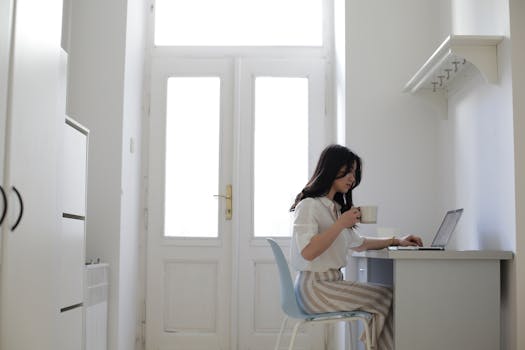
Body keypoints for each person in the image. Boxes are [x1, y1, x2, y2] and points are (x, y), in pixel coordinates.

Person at [290, 144, 423, 350]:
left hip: (329, 286)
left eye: (355, 172)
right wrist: (340, 224)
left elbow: (360, 243)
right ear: (332, 168)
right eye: (348, 171)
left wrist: (396, 240)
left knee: (386, 296)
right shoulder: (309, 205)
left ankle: (373, 345)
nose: (353, 178)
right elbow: (308, 252)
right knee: (386, 296)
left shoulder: (334, 208)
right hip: (315, 289)